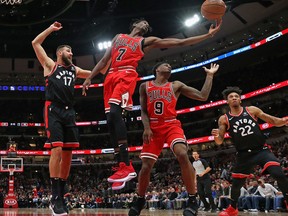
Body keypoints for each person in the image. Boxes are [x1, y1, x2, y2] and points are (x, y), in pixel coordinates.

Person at [82, 18, 222, 190]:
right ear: (134, 24)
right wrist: (89, 77)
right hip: (110, 76)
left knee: (114, 114)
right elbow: (104, 61)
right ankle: (120, 164)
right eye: (143, 23)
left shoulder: (146, 42)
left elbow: (180, 42)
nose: (146, 25)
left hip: (126, 75)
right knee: (110, 120)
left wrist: (207, 35)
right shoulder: (118, 37)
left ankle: (126, 164)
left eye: (148, 25)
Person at [128, 62, 220, 216]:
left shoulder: (176, 84)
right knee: (145, 167)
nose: (169, 66)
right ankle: (140, 199)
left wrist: (209, 76)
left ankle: (192, 199)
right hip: (153, 127)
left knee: (183, 154)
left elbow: (202, 96)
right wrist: (146, 127)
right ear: (157, 69)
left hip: (171, 124)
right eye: (165, 65)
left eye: (170, 66)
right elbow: (143, 110)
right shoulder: (145, 86)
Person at [32, 21, 91, 216]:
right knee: (56, 149)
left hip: (69, 112)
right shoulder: (50, 65)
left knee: (68, 154)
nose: (71, 53)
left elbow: (94, 73)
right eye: (68, 51)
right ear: (59, 53)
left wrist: (113, 64)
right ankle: (55, 196)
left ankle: (61, 194)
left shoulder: (74, 70)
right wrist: (50, 29)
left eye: (72, 51)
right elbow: (35, 43)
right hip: (53, 110)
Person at [211, 86, 288, 216]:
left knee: (279, 174)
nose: (234, 98)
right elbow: (220, 141)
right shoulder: (224, 119)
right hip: (244, 155)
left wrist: (284, 121)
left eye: (236, 96)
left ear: (240, 100)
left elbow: (272, 120)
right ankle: (233, 208)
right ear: (227, 101)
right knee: (236, 185)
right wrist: (216, 136)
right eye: (231, 97)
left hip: (261, 151)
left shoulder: (252, 110)